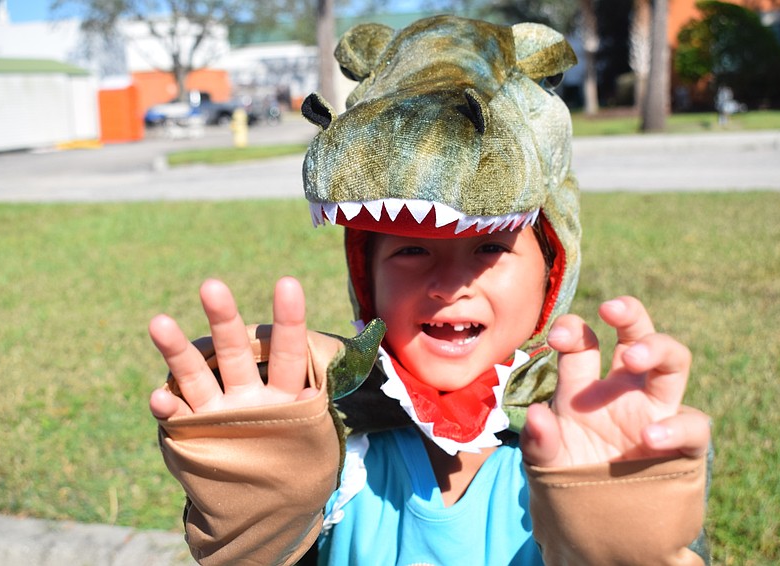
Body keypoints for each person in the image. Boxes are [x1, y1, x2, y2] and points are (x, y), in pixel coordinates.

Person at [148, 15, 711, 565]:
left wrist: (624, 541)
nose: (448, 286)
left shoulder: (586, 450)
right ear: (365, 278)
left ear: (553, 272)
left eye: (491, 247)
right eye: (411, 250)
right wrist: (261, 500)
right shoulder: (331, 450)